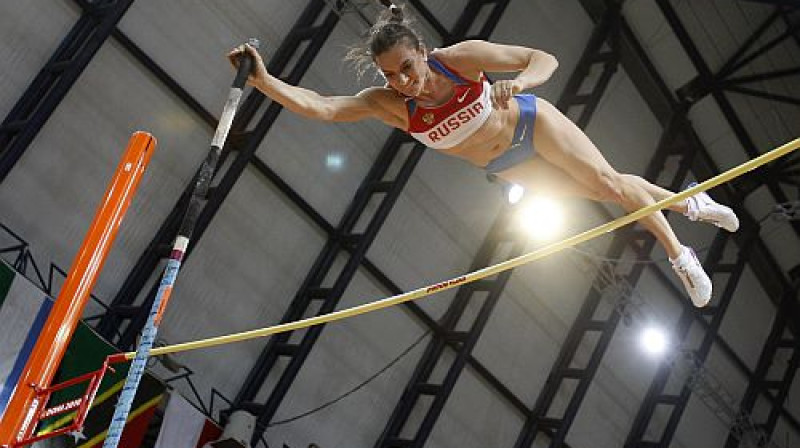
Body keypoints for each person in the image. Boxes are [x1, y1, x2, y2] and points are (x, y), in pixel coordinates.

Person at [227, 3, 738, 307]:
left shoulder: (458, 61)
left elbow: (545, 59)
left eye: (407, 67)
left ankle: (680, 255)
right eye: (392, 76)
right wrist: (264, 81)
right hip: (508, 164)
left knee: (608, 184)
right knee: (601, 191)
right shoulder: (391, 106)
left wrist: (518, 83)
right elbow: (321, 107)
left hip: (533, 125)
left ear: (421, 52)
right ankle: (692, 204)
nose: (404, 81)